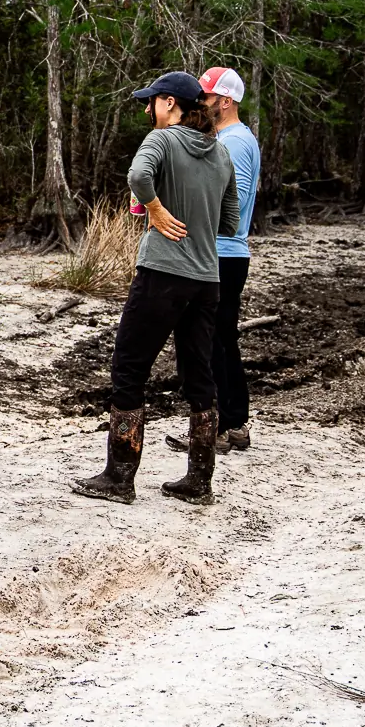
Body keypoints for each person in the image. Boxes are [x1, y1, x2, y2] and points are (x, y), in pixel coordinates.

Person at [73, 70, 238, 507]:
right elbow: (230, 221)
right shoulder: (221, 153)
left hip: (162, 274)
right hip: (207, 279)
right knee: (199, 375)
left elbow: (137, 176)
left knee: (129, 367)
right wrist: (195, 215)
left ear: (169, 103)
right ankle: (199, 481)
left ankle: (119, 477)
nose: (148, 109)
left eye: (151, 101)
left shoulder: (161, 141)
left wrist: (157, 209)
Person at [167, 66, 259, 456]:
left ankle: (216, 427)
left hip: (220, 252)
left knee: (206, 342)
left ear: (225, 100)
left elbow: (233, 202)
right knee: (221, 340)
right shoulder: (231, 138)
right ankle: (234, 423)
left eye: (205, 97)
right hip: (225, 253)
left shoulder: (233, 142)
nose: (199, 103)